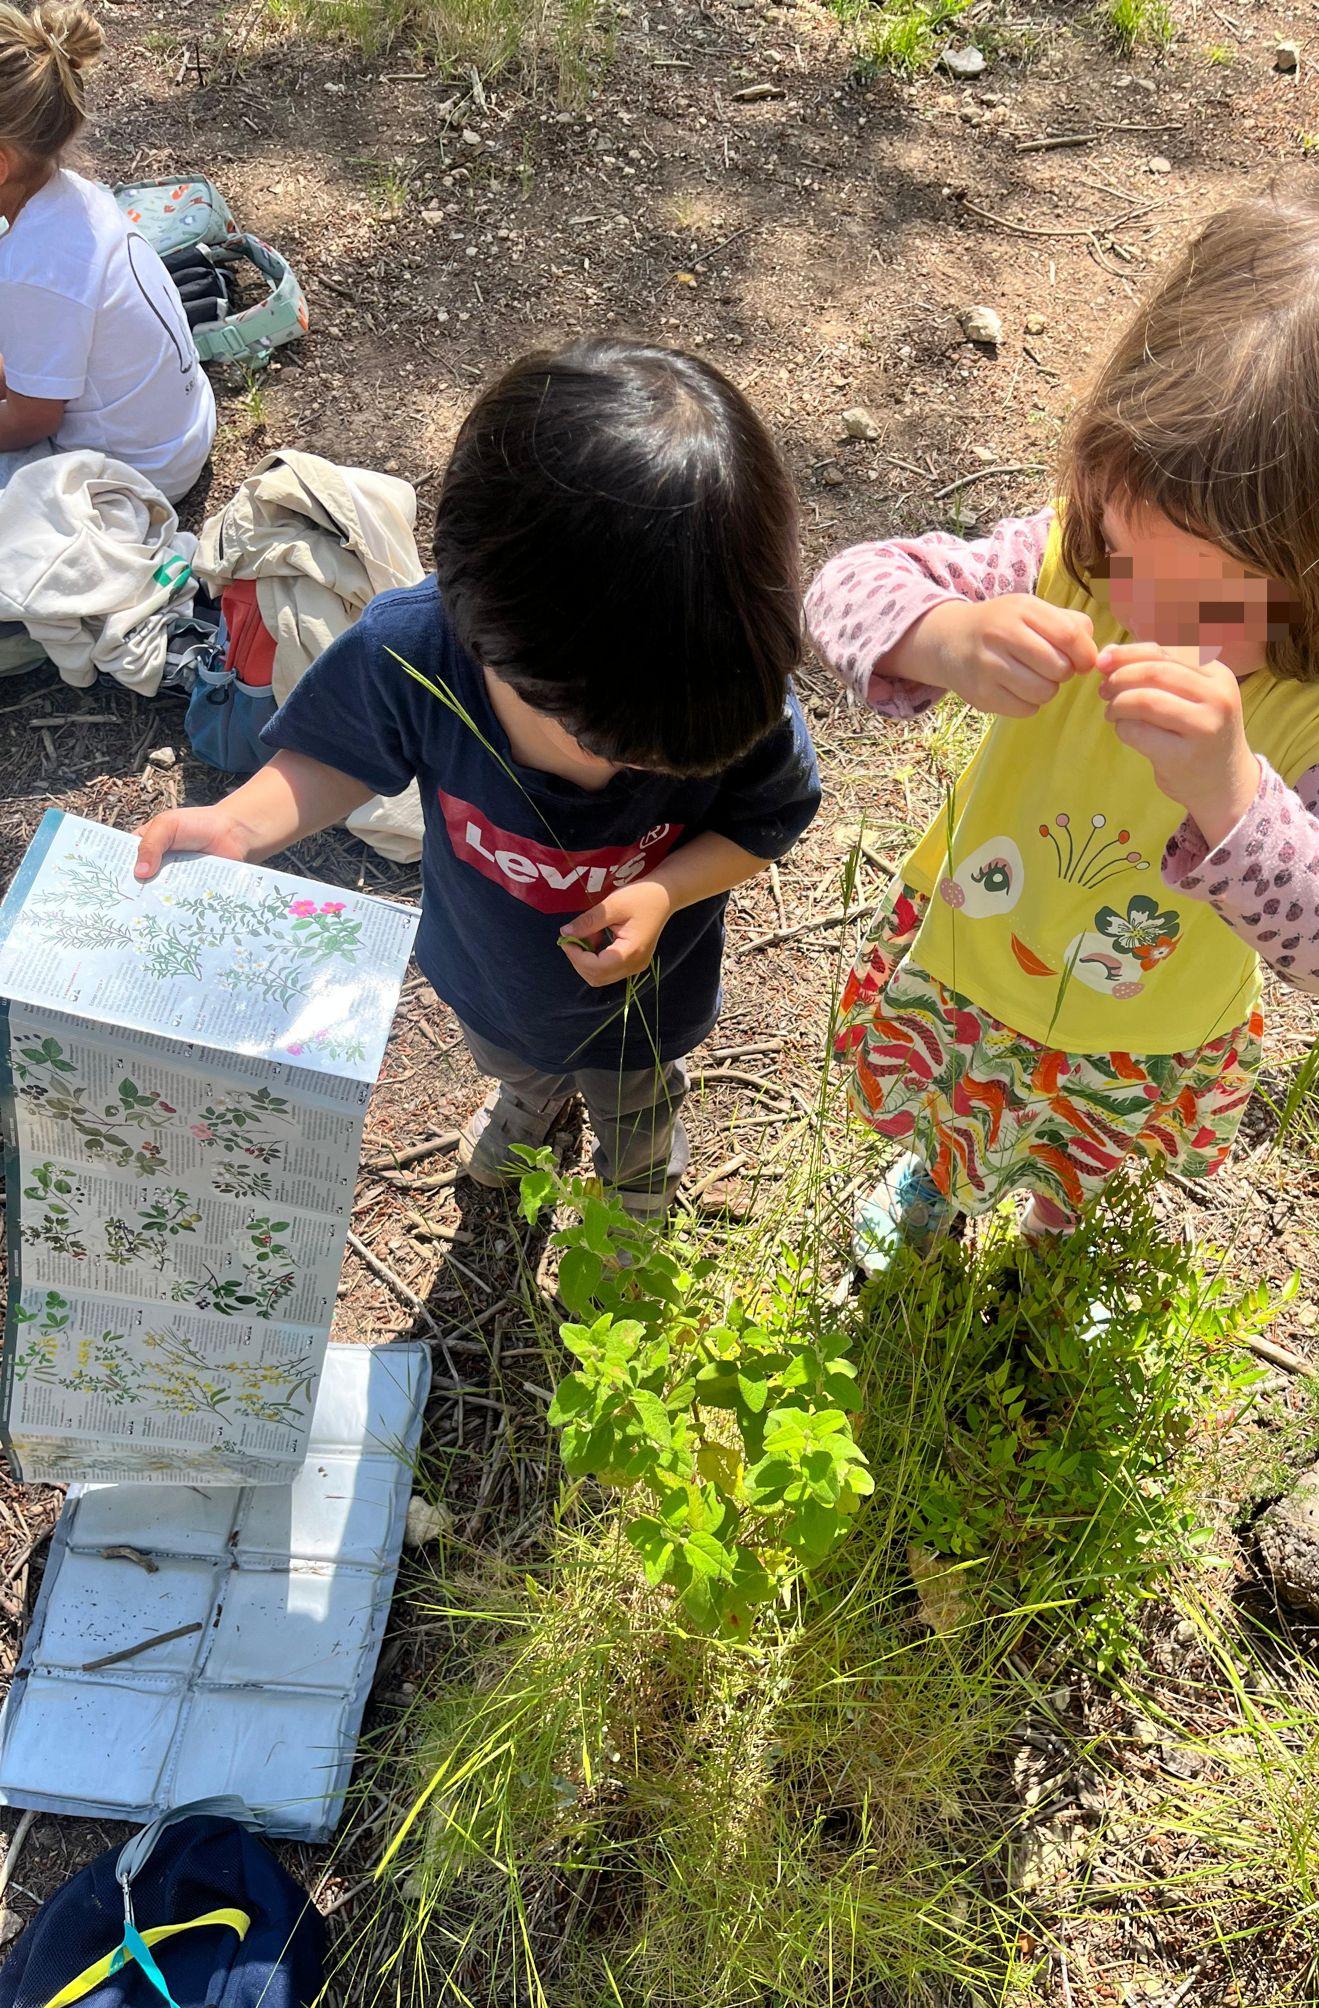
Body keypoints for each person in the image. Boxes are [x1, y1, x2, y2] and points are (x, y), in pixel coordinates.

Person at [806, 165, 1319, 1272]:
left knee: (1083, 1160)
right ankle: (938, 1184)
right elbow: (846, 588)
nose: (1142, 612)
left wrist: (1233, 791)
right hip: (974, 952)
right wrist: (943, 637)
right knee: (957, 1110)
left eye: (1210, 601)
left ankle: (1056, 1242)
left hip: (1142, 1028)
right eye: (1133, 557)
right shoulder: (1070, 562)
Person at [134, 337, 820, 1217]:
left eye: (650, 759)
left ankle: (638, 1179)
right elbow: (333, 756)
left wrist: (666, 891)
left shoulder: (722, 686)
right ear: (478, 619)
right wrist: (237, 825)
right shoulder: (414, 653)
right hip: (488, 973)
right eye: (578, 727)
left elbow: (768, 820)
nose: (604, 764)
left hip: (647, 999)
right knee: (510, 1055)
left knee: (638, 1098)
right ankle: (529, 1103)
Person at [0, 1, 215, 499]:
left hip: (137, 475)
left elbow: (32, 421)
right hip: (180, 432)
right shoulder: (73, 197)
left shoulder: (32, 268)